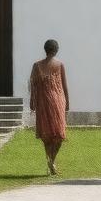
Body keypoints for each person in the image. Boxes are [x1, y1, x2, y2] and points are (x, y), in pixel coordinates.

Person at [29, 39, 69, 175]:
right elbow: (64, 85)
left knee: (46, 134)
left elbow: (32, 86)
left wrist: (32, 102)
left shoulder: (36, 65)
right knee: (59, 133)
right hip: (57, 101)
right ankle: (52, 161)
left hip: (43, 102)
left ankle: (50, 161)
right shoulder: (59, 64)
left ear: (45, 50)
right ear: (56, 50)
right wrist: (68, 102)